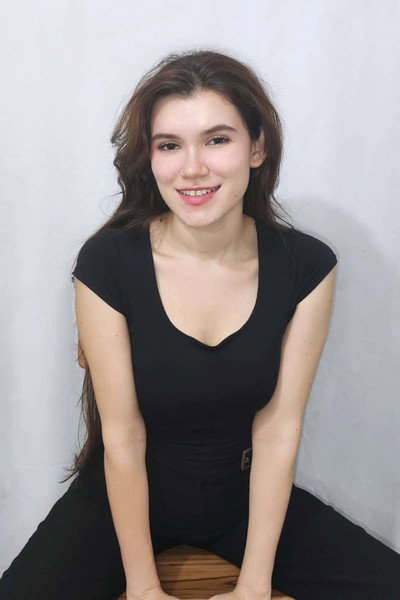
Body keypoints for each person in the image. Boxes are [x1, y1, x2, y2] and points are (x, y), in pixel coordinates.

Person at [0, 49, 399, 600]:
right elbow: (123, 437)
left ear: (257, 147)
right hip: (121, 496)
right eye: (169, 145)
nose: (192, 168)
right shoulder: (107, 263)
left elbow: (279, 429)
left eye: (217, 140)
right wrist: (144, 588)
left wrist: (254, 586)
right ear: (149, 158)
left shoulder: (307, 265)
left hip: (243, 500)